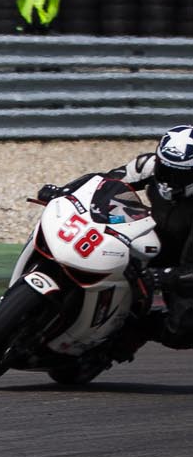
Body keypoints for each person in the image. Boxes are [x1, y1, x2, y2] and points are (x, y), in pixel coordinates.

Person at [37, 124, 193, 352]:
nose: (168, 177)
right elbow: (103, 182)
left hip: (183, 263)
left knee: (182, 331)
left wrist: (164, 277)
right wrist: (66, 191)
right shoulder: (148, 166)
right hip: (152, 237)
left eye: (180, 174)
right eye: (165, 168)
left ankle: (132, 331)